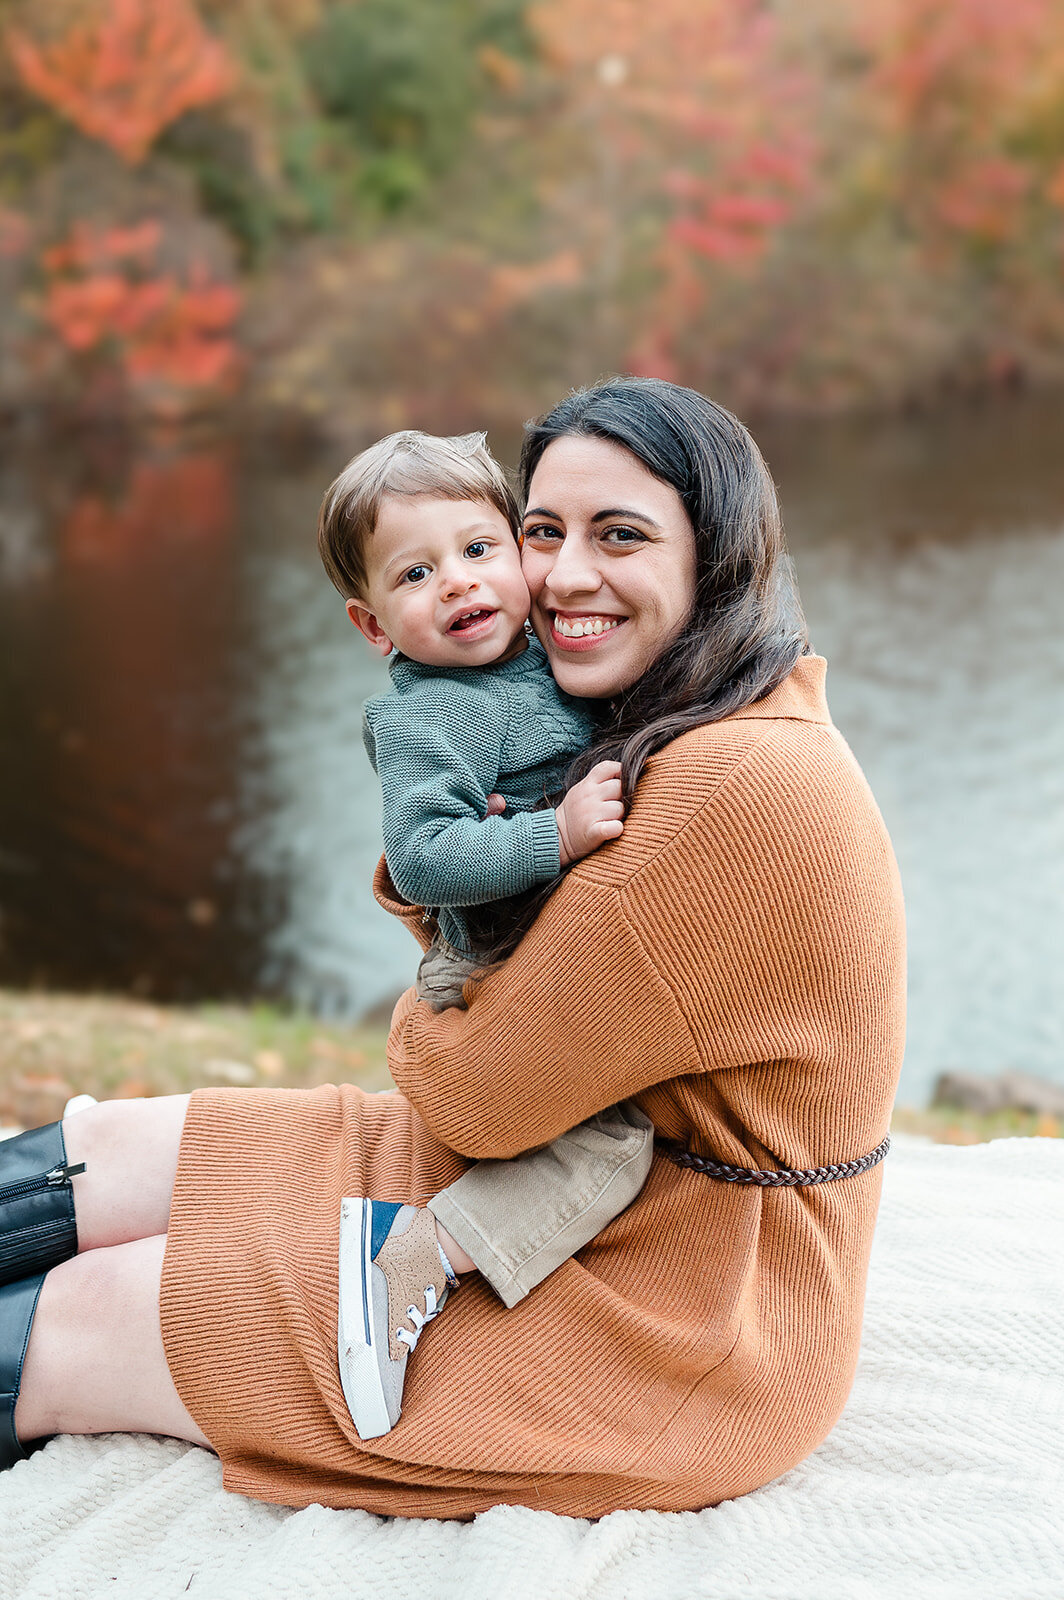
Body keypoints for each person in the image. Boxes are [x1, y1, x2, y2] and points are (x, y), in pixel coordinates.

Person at [0, 377, 905, 1521]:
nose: (563, 575)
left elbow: (469, 1098)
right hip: (589, 1177)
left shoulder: (729, 786)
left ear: (715, 550)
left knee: (91, 1309)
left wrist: (431, 993)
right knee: (112, 1144)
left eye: (618, 535)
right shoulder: (709, 706)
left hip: (675, 1318)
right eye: (543, 532)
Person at [316, 427, 655, 1438]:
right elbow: (420, 857)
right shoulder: (437, 716)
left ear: (521, 549)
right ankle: (413, 1259)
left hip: (532, 949)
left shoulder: (531, 660)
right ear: (373, 626)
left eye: (476, 550)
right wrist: (552, 834)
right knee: (610, 1149)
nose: (457, 584)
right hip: (495, 965)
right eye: (415, 573)